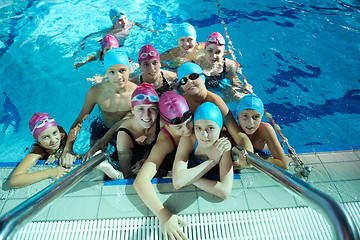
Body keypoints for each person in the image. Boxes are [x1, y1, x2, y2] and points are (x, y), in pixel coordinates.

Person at [60, 48, 137, 168]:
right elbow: (80, 120)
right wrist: (68, 149)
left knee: (126, 160)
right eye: (112, 72)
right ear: (106, 72)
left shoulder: (136, 92)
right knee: (93, 160)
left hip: (123, 130)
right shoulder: (96, 92)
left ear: (129, 69)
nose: (118, 77)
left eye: (122, 70)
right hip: (101, 128)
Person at [134, 91, 193, 239]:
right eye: (179, 127)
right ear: (167, 124)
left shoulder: (198, 120)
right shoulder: (165, 140)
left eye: (188, 122)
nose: (187, 130)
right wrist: (164, 215)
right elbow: (140, 182)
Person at [84, 83, 161, 179]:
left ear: (158, 110)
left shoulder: (161, 123)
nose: (147, 115)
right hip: (125, 152)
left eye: (152, 108)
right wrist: (99, 144)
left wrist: (145, 160)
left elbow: (161, 145)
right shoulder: (125, 132)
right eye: (141, 109)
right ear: (132, 110)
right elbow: (126, 173)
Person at [177, 62, 254, 152]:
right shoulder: (182, 102)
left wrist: (247, 155)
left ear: (203, 76)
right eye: (183, 80)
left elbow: (238, 135)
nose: (189, 82)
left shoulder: (215, 102)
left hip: (218, 143)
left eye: (193, 76)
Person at [172, 102, 234, 199]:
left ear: (220, 128)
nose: (204, 135)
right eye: (198, 128)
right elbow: (178, 182)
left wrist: (189, 178)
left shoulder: (223, 146)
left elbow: (224, 192)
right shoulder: (189, 139)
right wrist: (212, 161)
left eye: (210, 128)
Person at [9, 113, 71, 188]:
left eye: (55, 133)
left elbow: (68, 149)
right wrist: (50, 172)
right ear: (38, 141)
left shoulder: (61, 133)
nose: (53, 140)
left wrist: (58, 154)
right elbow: (14, 181)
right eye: (45, 137)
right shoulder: (37, 151)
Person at [194, 32, 253, 102]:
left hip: (220, 86)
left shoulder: (228, 65)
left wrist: (243, 88)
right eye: (210, 51)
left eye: (218, 52)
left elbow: (234, 81)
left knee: (241, 99)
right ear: (204, 50)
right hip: (201, 88)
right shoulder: (196, 64)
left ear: (223, 53)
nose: (214, 56)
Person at [235, 94, 288, 170]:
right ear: (237, 115)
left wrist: (257, 162)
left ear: (261, 117)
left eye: (256, 117)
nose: (250, 122)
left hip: (264, 148)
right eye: (245, 116)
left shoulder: (265, 129)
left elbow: (283, 164)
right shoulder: (233, 131)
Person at [81, 7, 156, 47]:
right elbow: (91, 35)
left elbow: (136, 23)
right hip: (112, 46)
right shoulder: (110, 32)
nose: (124, 22)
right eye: (120, 20)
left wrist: (149, 30)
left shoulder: (130, 24)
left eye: (125, 18)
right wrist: (82, 44)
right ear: (114, 23)